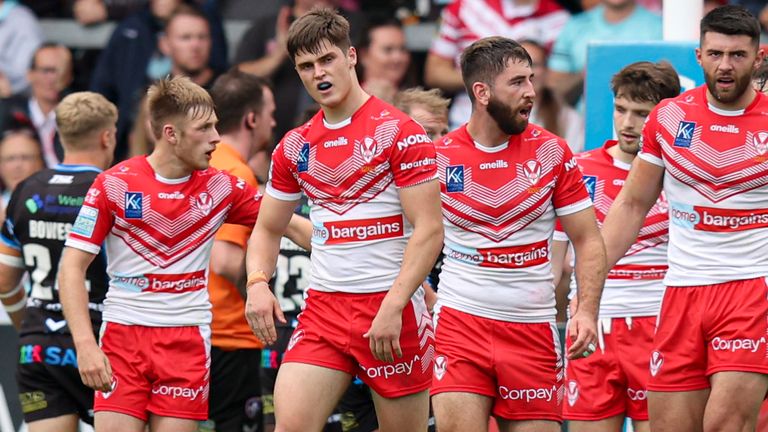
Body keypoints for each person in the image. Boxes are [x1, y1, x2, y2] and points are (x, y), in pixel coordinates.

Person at [244, 8, 444, 432]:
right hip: (324, 311)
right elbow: (267, 227)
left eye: (327, 59)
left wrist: (394, 306)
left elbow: (429, 230)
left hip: (391, 309)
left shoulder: (401, 132)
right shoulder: (294, 145)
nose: (318, 73)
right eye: (306, 66)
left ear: (351, 56)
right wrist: (257, 282)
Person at [58, 76, 263, 432]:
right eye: (205, 127)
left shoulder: (222, 185)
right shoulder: (114, 183)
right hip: (123, 338)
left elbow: (289, 224)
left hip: (187, 340)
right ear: (171, 133)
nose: (217, 137)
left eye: (216, 124)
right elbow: (71, 268)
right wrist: (86, 346)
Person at [600, 5, 768, 431]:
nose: (725, 66)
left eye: (737, 55)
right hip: (680, 293)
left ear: (759, 57)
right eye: (715, 54)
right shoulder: (669, 116)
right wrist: (589, 282)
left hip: (751, 289)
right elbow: (632, 205)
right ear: (698, 55)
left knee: (725, 424)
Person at [429, 36, 606, 432]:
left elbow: (589, 239)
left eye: (531, 79)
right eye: (518, 82)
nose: (531, 91)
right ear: (482, 92)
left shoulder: (553, 152)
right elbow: (411, 241)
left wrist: (587, 310)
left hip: (533, 329)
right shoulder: (438, 158)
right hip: (461, 323)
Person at [550, 61, 680, 432]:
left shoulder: (681, 175)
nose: (628, 123)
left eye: (642, 114)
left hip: (660, 328)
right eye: (621, 109)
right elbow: (553, 264)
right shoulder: (577, 169)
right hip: (590, 332)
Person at [0, 91, 117, 432]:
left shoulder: (25, 190)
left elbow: (5, 280)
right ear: (107, 136)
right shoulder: (113, 189)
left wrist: (28, 326)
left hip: (40, 348)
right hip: (102, 344)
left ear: (58, 136)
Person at [205, 68, 278, 432]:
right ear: (251, 119)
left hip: (199, 331)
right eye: (270, 113)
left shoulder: (204, 163)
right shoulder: (236, 172)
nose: (274, 121)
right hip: (232, 335)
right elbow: (225, 261)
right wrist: (262, 288)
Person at [424, 0, 569, 129]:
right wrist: (491, 78)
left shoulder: (560, 17)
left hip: (537, 122)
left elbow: (558, 80)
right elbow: (435, 72)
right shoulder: (464, 7)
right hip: (467, 121)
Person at [547, 0, 662, 108]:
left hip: (640, 122)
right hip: (585, 123)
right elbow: (553, 91)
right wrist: (586, 74)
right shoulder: (574, 26)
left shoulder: (660, 27)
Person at [0, 43, 73, 167]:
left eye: (60, 72)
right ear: (30, 74)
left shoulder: (78, 119)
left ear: (70, 76)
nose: (53, 78)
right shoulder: (8, 113)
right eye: (46, 71)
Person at [521, 39, 584, 153]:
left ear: (546, 70)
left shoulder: (568, 118)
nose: (529, 72)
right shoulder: (495, 116)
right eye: (521, 65)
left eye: (535, 65)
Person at [358, 17, 412, 103]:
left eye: (403, 49)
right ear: (364, 56)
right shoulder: (348, 101)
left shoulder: (416, 102)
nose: (397, 58)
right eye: (388, 50)